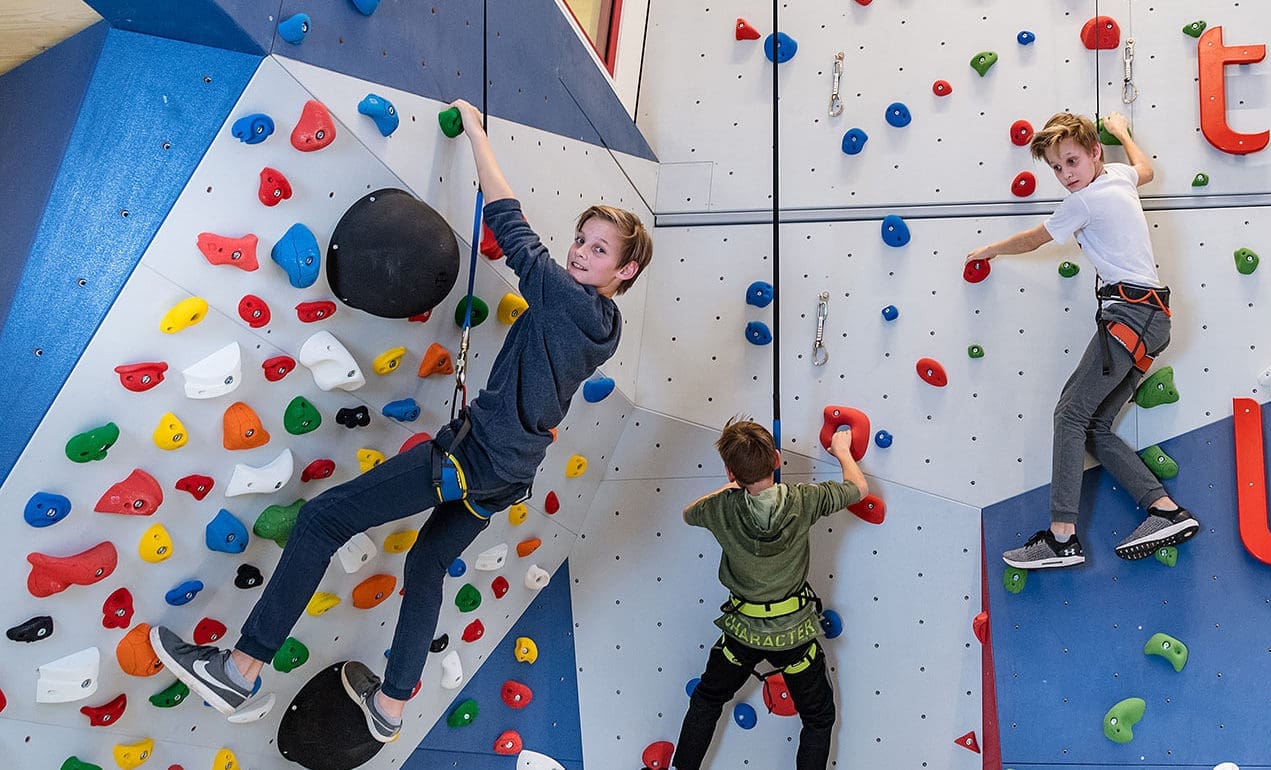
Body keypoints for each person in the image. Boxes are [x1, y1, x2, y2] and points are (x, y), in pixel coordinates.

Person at [150, 98, 654, 740]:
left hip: (471, 462)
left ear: (624, 270)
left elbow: (511, 224)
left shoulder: (569, 301)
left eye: (599, 249)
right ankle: (390, 708)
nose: (580, 253)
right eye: (580, 240)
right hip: (506, 478)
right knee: (424, 569)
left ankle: (241, 668)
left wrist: (475, 131)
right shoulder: (605, 327)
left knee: (322, 518)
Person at [967, 112, 1199, 570]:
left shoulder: (1086, 201)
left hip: (1129, 315)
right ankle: (1164, 510)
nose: (1066, 174)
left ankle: (1061, 537)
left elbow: (1035, 239)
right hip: (1154, 319)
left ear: (1095, 152)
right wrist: (1125, 134)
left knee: (1069, 415)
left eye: (1072, 161)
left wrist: (989, 250)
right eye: (1056, 168)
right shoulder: (1117, 177)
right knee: (1093, 426)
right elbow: (1146, 170)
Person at [671, 418, 869, 770]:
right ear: (777, 460)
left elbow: (688, 514)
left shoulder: (722, 508)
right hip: (793, 637)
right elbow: (858, 488)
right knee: (819, 718)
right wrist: (841, 451)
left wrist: (729, 489)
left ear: (730, 473)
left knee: (707, 701)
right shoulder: (805, 499)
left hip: (741, 635)